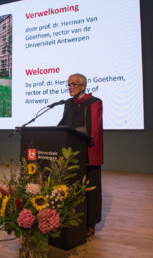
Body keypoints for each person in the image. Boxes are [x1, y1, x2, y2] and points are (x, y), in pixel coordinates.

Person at [58, 73, 103, 237]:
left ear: (83, 86)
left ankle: (90, 223)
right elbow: (63, 124)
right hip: (70, 153)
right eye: (68, 84)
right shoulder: (69, 103)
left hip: (87, 153)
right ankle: (70, 219)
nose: (70, 87)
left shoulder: (94, 102)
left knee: (90, 190)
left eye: (73, 84)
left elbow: (93, 129)